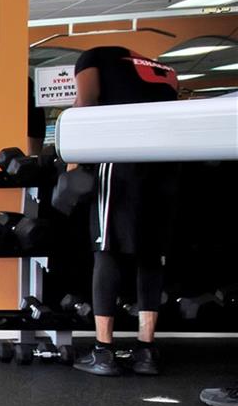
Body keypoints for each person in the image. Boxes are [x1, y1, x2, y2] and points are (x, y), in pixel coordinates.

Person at [67, 46, 179, 377]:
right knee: (150, 254)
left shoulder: (92, 58)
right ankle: (146, 351)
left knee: (107, 250)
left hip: (121, 162)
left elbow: (84, 106)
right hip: (164, 165)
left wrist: (72, 166)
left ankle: (103, 352)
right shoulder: (164, 69)